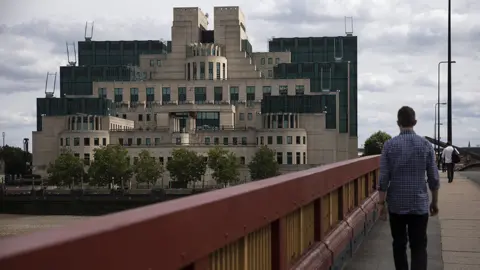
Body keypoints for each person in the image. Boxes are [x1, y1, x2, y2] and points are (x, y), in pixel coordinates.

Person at [377, 106, 440, 270]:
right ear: (415, 122)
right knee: (419, 246)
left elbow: (383, 178)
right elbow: (433, 177)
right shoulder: (426, 145)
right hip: (419, 204)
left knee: (399, 245)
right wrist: (434, 202)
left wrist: (380, 204)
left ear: (398, 123)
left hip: (396, 205)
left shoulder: (389, 145)